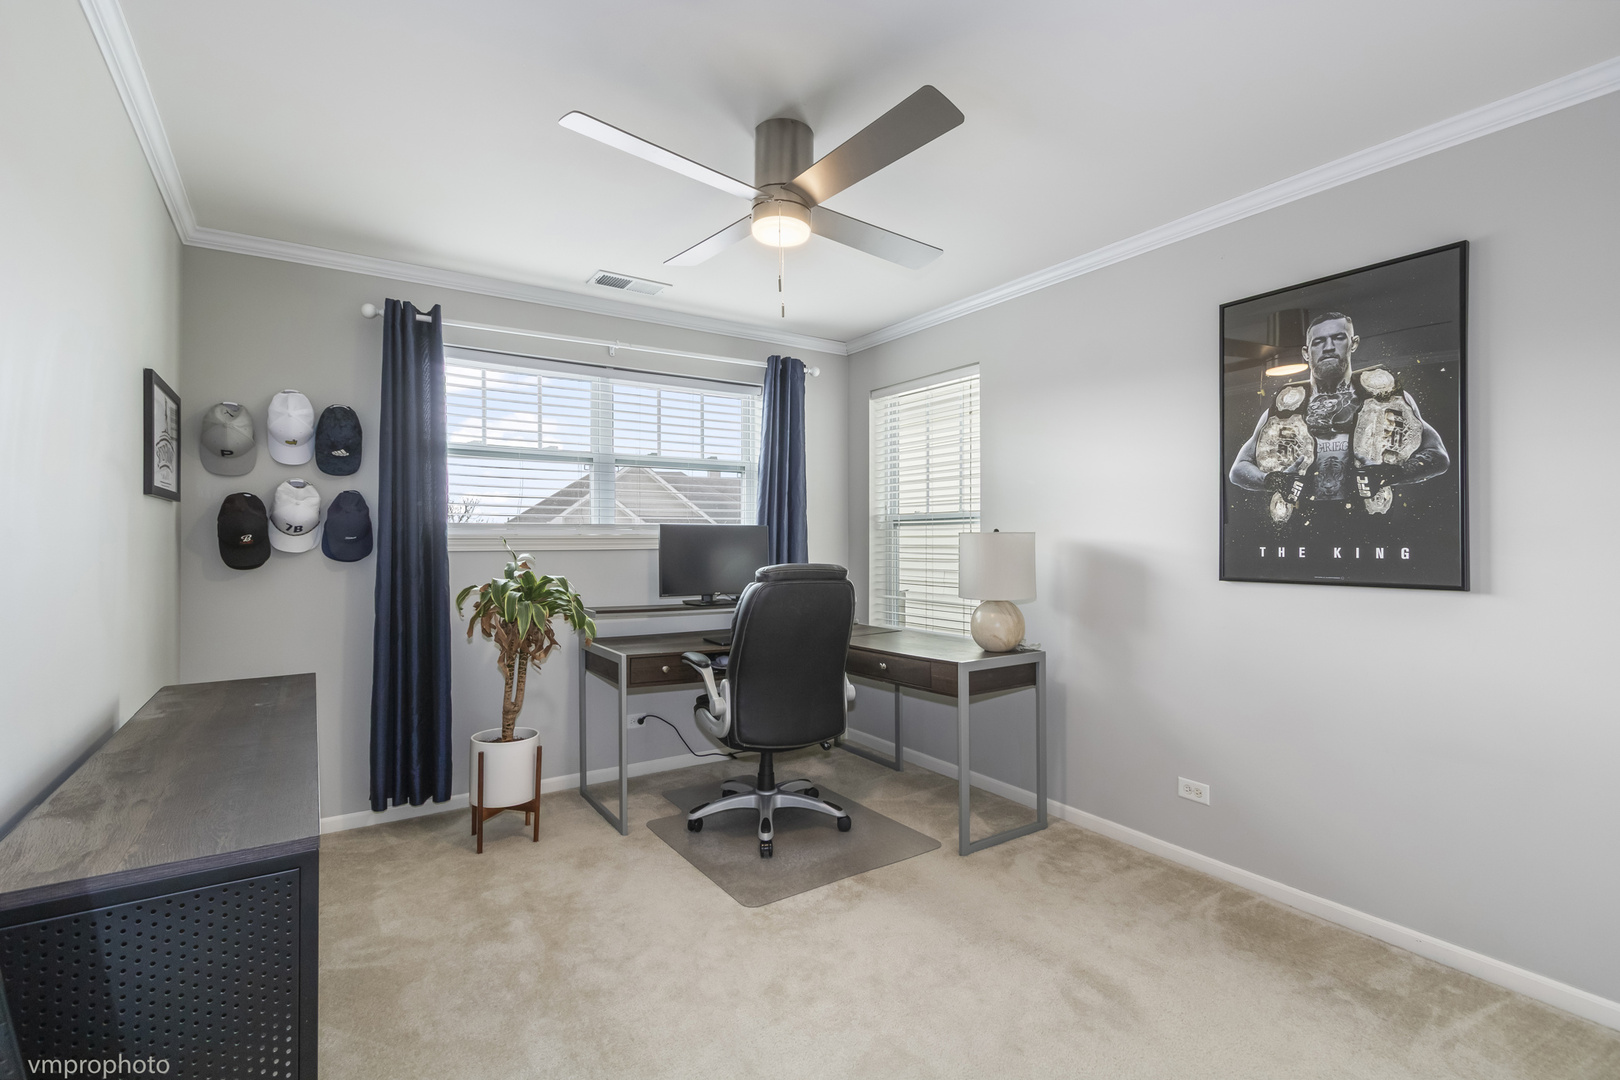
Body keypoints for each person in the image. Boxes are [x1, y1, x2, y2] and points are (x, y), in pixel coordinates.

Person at [1229, 311, 1448, 519]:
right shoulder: (1285, 408)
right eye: (1319, 342)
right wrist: (1272, 480)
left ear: (1353, 344)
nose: (1329, 347)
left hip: (1370, 522)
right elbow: (1238, 470)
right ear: (1306, 353)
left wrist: (1393, 473)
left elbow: (1438, 455)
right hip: (1303, 521)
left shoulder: (1387, 400)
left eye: (1338, 338)